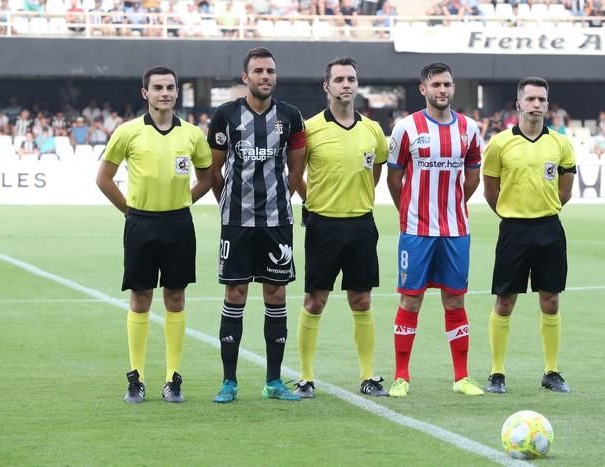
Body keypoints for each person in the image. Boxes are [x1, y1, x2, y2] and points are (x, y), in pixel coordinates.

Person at [96, 66, 212, 404]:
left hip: (178, 225)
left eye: (170, 87)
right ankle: (136, 377)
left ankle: (173, 378)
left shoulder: (192, 134)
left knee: (175, 299)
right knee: (140, 298)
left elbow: (206, 178)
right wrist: (128, 211)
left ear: (177, 92)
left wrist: (181, 202)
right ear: (144, 92)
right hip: (141, 224)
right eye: (158, 87)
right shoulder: (127, 132)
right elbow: (103, 178)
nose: (165, 92)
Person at [207, 47, 306, 403]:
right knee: (235, 294)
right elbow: (214, 170)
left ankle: (274, 381)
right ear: (245, 77)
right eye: (259, 71)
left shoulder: (291, 117)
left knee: (276, 294)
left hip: (277, 221)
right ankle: (229, 382)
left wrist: (279, 200)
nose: (266, 76)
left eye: (270, 71)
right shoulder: (226, 115)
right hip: (236, 222)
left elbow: (296, 170)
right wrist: (228, 205)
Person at [292, 57, 389, 399]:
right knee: (315, 300)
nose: (346, 84)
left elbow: (375, 172)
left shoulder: (373, 130)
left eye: (351, 79)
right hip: (323, 225)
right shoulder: (310, 128)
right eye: (339, 79)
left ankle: (368, 375)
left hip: (361, 224)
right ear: (327, 86)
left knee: (361, 300)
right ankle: (305, 376)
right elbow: (296, 175)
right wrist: (314, 201)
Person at [385, 63, 484, 398]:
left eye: (448, 85)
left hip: (456, 229)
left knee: (455, 299)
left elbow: (472, 178)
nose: (443, 90)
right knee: (410, 300)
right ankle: (401, 377)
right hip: (415, 230)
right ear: (423, 89)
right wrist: (412, 210)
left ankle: (462, 377)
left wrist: (452, 206)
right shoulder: (406, 128)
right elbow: (394, 179)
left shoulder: (470, 129)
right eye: (436, 85)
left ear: (453, 89)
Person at [481, 76, 576, 394]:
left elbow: (565, 191)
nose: (536, 104)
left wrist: (543, 211)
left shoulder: (560, 143)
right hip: (513, 230)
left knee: (550, 300)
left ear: (548, 105)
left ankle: (551, 371)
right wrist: (512, 214)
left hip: (549, 229)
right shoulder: (499, 143)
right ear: (519, 103)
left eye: (542, 100)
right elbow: (490, 191)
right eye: (531, 99)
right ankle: (497, 372)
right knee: (505, 301)